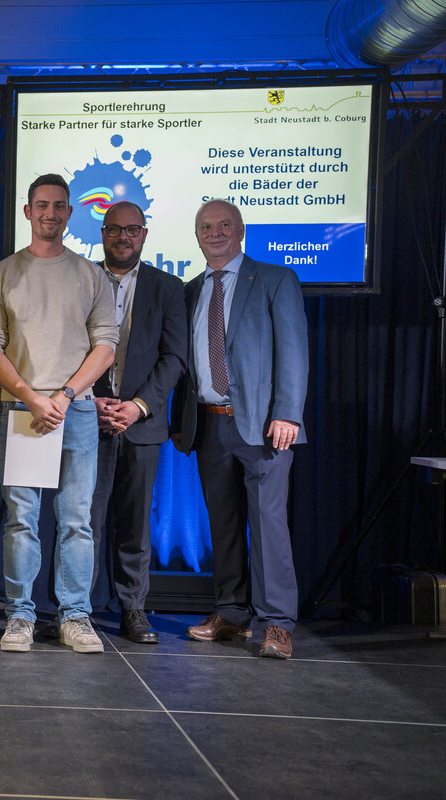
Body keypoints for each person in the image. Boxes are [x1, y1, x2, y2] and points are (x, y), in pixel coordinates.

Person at [0, 173, 118, 654]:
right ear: (28, 211)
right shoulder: (1, 274)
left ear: (70, 213)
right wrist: (33, 397)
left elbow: (106, 346)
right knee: (22, 519)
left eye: (59, 206)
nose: (50, 214)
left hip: (75, 411)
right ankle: (20, 615)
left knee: (77, 519)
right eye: (42, 205)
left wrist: (64, 395)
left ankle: (75, 616)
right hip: (21, 410)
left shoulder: (91, 275)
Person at [173, 199, 308, 659]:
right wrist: (176, 421)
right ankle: (231, 612)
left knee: (268, 526)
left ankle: (276, 623)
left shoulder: (274, 279)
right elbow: (186, 363)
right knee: (224, 524)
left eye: (224, 225)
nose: (215, 233)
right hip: (209, 426)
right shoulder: (190, 291)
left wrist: (288, 413)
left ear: (241, 230)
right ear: (196, 236)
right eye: (206, 226)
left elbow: (293, 350)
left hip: (265, 427)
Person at [88, 202, 186, 644]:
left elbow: (174, 357)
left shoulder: (168, 288)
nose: (123, 237)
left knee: (135, 525)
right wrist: (88, 400)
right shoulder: (82, 279)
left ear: (144, 234)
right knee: (82, 522)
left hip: (141, 425)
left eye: (132, 230)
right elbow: (67, 347)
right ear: (102, 233)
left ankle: (133, 610)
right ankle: (75, 610)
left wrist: (138, 406)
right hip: (87, 419)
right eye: (114, 229)